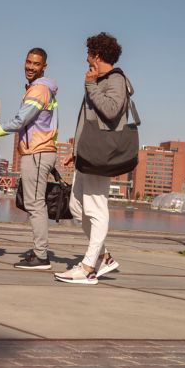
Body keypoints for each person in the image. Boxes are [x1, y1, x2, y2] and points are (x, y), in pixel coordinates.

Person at [0, 48, 59, 270]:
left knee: (35, 204)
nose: (30, 67)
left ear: (44, 67)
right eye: (28, 62)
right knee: (35, 202)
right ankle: (39, 251)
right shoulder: (43, 90)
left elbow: (18, 122)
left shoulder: (38, 91)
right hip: (40, 151)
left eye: (36, 64)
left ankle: (41, 256)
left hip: (37, 152)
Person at [55, 33, 129, 285]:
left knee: (96, 208)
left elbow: (110, 110)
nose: (86, 58)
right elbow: (87, 120)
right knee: (76, 207)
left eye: (89, 53)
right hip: (87, 153)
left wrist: (91, 85)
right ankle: (106, 256)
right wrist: (75, 152)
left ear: (97, 55)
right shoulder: (100, 79)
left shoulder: (115, 79)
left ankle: (88, 268)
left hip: (101, 154)